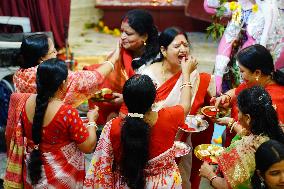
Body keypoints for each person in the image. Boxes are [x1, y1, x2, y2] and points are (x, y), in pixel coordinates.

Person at [84, 55, 196, 188]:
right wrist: (186, 73)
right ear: (154, 99)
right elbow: (186, 104)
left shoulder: (113, 127)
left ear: (125, 100)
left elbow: (102, 166)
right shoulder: (169, 117)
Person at [125, 27, 215, 189]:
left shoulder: (193, 74)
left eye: (186, 45)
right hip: (148, 138)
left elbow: (194, 106)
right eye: (177, 46)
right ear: (164, 50)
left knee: (181, 178)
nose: (183, 50)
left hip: (181, 141)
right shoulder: (147, 74)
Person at [4, 59, 98, 188]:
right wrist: (92, 120)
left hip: (31, 173)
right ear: (63, 83)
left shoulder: (24, 102)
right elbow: (88, 147)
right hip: (60, 179)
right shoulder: (66, 112)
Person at [84, 9, 159, 125]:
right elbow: (105, 76)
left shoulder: (157, 60)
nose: (122, 36)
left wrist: (126, 99)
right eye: (122, 31)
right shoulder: (121, 52)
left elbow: (157, 97)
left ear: (144, 36)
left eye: (128, 34)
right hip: (117, 109)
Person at [199, 86, 284, 189]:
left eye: (239, 112)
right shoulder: (276, 128)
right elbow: (253, 136)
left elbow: (228, 186)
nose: (237, 116)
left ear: (248, 118)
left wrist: (209, 175)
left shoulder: (245, 152)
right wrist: (231, 123)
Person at [212, 44, 284, 147]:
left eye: (242, 71)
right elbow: (237, 90)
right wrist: (226, 97)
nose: (240, 76)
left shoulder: (273, 100)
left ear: (257, 73)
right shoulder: (256, 82)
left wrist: (232, 124)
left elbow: (260, 141)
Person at [204, 0, 276, 94]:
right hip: (232, 57)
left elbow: (265, 41)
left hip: (251, 60)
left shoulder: (267, 8)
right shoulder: (238, 6)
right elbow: (209, 6)